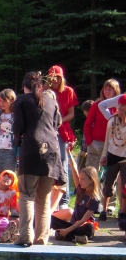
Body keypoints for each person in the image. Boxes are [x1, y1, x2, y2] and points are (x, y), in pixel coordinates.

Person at [13, 71, 65, 246]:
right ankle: (42, 238)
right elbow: (57, 123)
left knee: (27, 195)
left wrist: (16, 142)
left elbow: (18, 127)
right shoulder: (51, 100)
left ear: (24, 86)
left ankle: (25, 236)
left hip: (32, 149)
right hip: (52, 150)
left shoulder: (21, 100)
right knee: (43, 199)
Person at [51, 146, 100, 244]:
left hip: (82, 226)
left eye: (83, 179)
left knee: (90, 227)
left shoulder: (94, 199)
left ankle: (68, 235)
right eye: (79, 179)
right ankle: (75, 237)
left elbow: (83, 220)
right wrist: (68, 153)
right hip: (72, 225)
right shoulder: (80, 190)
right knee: (49, 219)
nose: (80, 181)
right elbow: (74, 168)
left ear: (91, 180)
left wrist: (66, 231)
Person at [48, 65, 78, 209]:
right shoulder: (45, 92)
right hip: (47, 130)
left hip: (62, 130)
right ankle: (49, 197)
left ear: (62, 78)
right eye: (52, 77)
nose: (55, 80)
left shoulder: (68, 91)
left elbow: (71, 114)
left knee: (63, 163)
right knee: (48, 163)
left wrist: (59, 121)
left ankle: (64, 200)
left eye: (58, 77)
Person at [85, 79, 120, 171]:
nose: (107, 92)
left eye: (110, 89)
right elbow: (88, 124)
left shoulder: (119, 107)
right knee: (91, 172)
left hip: (112, 144)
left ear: (115, 91)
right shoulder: (97, 105)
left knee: (109, 173)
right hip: (96, 143)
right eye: (105, 89)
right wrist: (89, 142)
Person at [0, 89, 17, 173]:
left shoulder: (16, 115)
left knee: (7, 176)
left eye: (4, 101)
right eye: (0, 100)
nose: (2, 103)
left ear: (12, 101)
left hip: (10, 151)